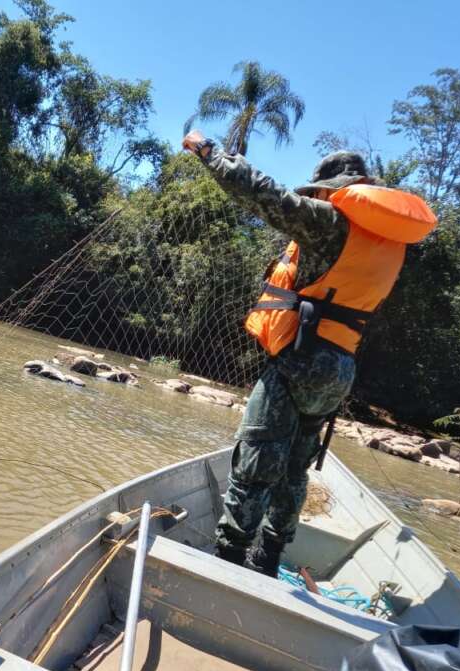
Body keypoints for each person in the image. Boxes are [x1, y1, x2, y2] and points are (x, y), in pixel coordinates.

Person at [181, 130, 436, 578]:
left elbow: (260, 192)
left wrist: (208, 152)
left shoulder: (331, 224)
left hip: (300, 359)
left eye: (320, 192)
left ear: (333, 191)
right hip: (339, 369)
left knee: (256, 463)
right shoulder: (389, 247)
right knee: (295, 469)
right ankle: (268, 558)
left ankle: (228, 559)